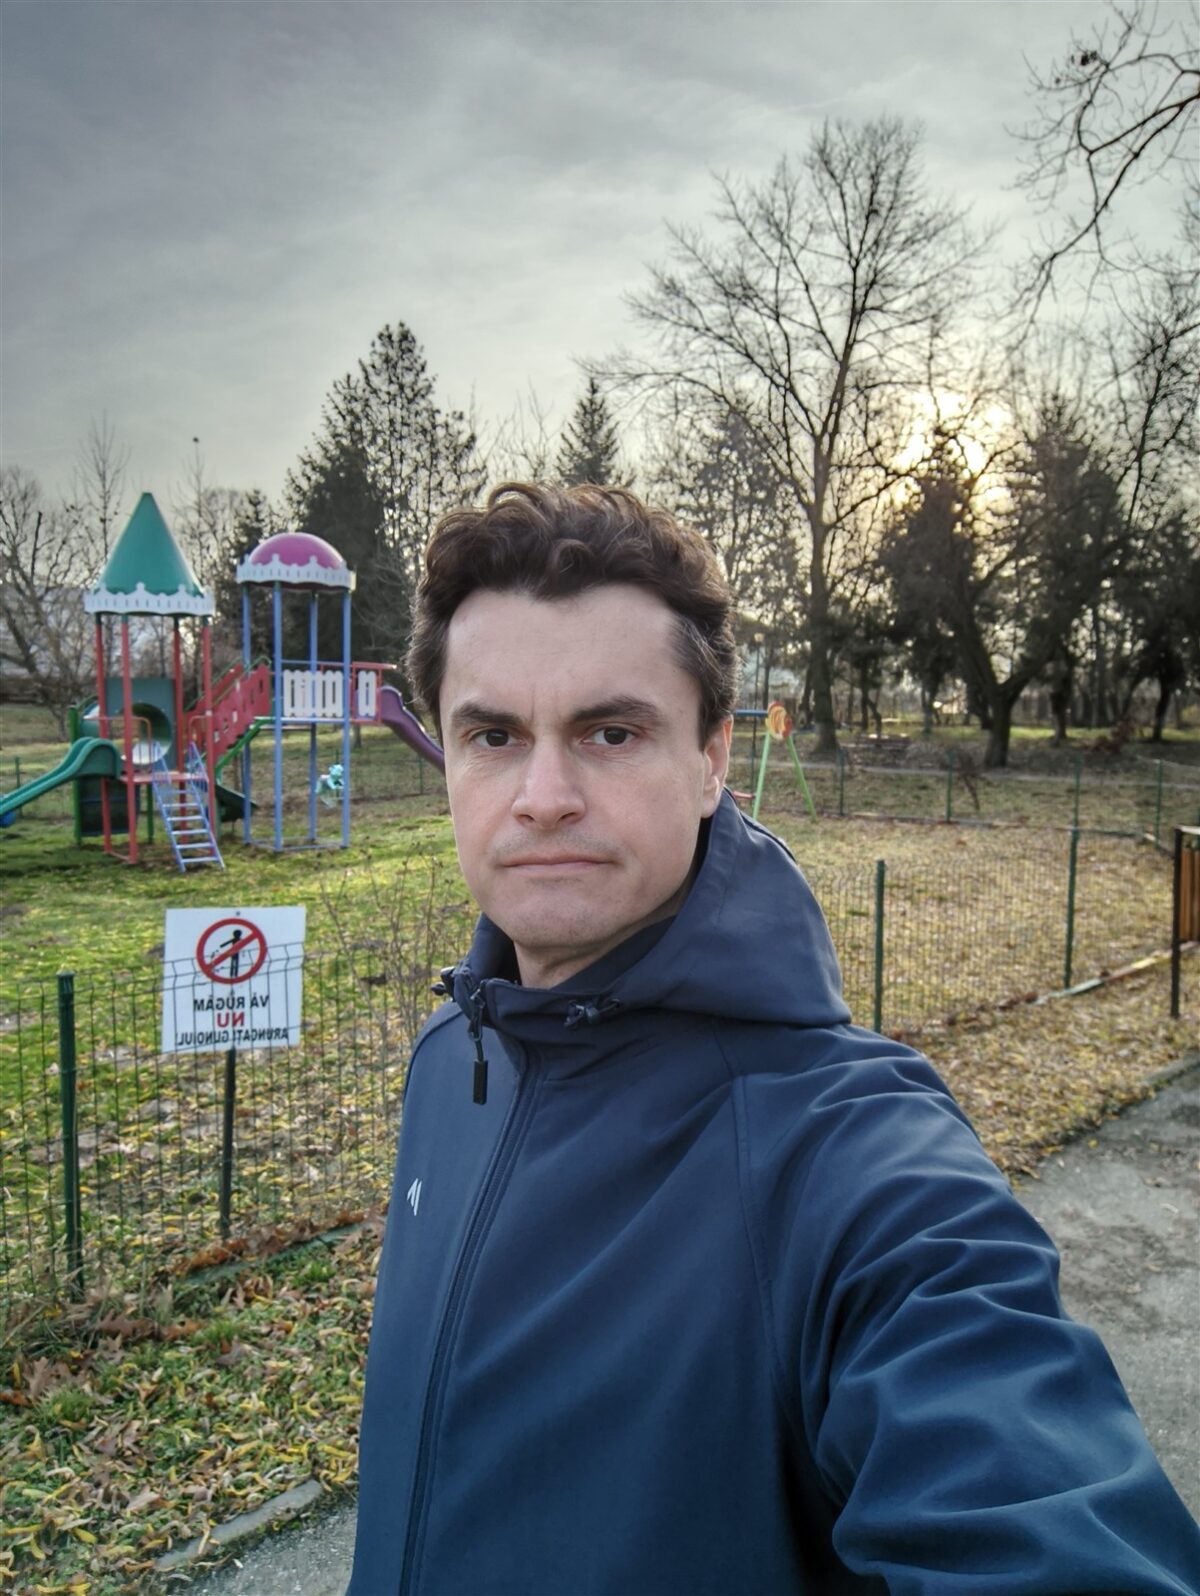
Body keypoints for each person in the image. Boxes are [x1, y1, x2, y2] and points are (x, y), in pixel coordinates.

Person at [348, 483, 1200, 1595]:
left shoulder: (848, 1157)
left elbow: (1037, 1511)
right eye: (494, 736)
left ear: (712, 760)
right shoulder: (445, 1064)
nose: (543, 796)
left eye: (611, 732)